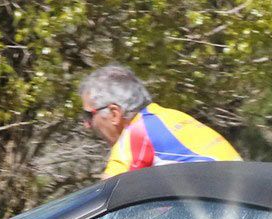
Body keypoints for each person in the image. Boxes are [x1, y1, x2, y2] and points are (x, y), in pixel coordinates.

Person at [79, 65, 240, 178]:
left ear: (114, 114)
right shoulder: (171, 116)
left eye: (88, 115)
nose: (86, 125)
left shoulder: (136, 135)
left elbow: (106, 207)